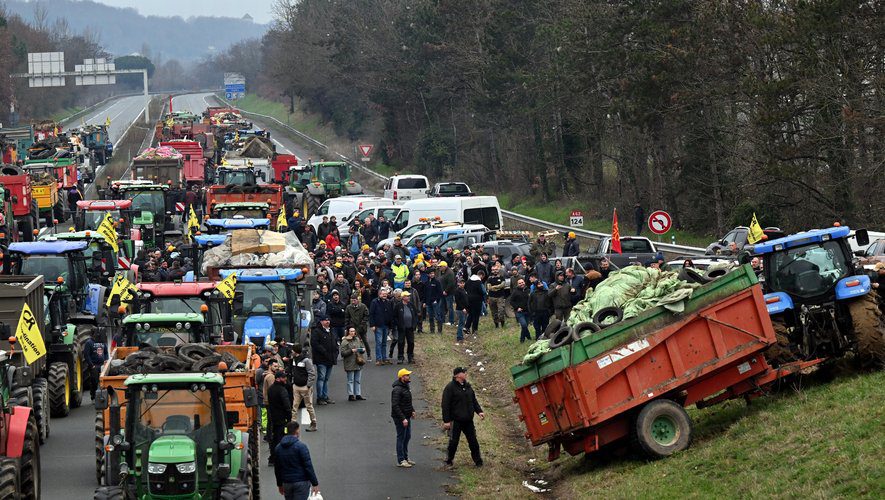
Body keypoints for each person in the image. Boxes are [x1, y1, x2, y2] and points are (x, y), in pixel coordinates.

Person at [442, 367, 485, 468]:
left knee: (473, 441)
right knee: (453, 442)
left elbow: (473, 400)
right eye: (463, 372)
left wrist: (479, 411)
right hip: (455, 421)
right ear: (457, 375)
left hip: (468, 420)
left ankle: (478, 461)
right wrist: (446, 421)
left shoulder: (468, 386)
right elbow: (445, 405)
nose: (465, 373)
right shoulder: (450, 387)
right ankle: (449, 460)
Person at [274, 422, 320, 500]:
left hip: (286, 483)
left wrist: (279, 485)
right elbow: (308, 466)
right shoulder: (301, 446)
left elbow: (277, 469)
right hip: (301, 482)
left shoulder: (278, 448)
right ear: (297, 431)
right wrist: (315, 483)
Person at [391, 368, 416, 468]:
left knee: (407, 436)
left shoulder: (406, 386)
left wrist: (412, 410)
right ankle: (401, 460)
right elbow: (395, 405)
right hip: (400, 417)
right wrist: (403, 418)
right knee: (401, 437)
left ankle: (405, 457)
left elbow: (408, 401)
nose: (409, 377)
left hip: (406, 415)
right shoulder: (397, 390)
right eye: (407, 375)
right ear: (402, 377)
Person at [290, 344, 318, 432]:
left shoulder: (306, 360)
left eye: (292, 350)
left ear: (296, 351)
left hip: (305, 387)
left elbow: (312, 373)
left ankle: (313, 423)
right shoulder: (294, 359)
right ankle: (293, 426)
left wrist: (308, 385)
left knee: (309, 406)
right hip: (296, 386)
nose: (291, 351)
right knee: (294, 407)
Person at [311, 315, 338, 405]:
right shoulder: (317, 331)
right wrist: (324, 351)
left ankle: (325, 396)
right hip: (321, 359)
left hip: (330, 358)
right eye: (325, 320)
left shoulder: (331, 331)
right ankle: (320, 397)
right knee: (321, 378)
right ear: (321, 322)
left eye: (328, 320)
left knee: (326, 379)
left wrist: (336, 352)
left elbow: (335, 342)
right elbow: (314, 343)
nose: (327, 322)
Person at [267, 370, 292, 466]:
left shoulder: (270, 389)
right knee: (283, 439)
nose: (285, 379)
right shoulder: (282, 390)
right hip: (282, 418)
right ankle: (281, 459)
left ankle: (272, 458)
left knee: (275, 439)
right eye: (283, 377)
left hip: (273, 417)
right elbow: (287, 405)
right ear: (278, 378)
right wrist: (289, 419)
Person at [339, 327, 367, 401]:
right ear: (348, 332)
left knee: (358, 380)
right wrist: (351, 351)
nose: (352, 333)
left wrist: (362, 350)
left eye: (354, 331)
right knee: (350, 380)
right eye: (351, 331)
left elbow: (361, 347)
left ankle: (358, 394)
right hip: (350, 362)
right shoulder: (344, 341)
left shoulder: (357, 339)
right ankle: (351, 395)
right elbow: (342, 353)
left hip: (358, 362)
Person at [369, 288, 395, 365]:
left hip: (386, 325)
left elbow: (390, 314)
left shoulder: (388, 302)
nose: (384, 295)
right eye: (383, 294)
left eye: (385, 294)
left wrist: (390, 325)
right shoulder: (374, 302)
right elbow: (371, 314)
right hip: (378, 325)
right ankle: (378, 359)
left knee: (384, 343)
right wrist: (372, 325)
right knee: (379, 343)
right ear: (379, 294)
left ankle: (384, 358)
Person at [394, 291, 419, 364]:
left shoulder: (411, 305)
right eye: (407, 296)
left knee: (411, 342)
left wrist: (414, 324)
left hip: (410, 328)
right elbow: (395, 317)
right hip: (402, 328)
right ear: (403, 297)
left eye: (409, 296)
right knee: (401, 342)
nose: (409, 297)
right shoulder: (398, 306)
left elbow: (415, 315)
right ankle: (400, 357)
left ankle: (410, 356)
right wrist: (398, 324)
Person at [345, 293, 371, 359]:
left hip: (362, 327)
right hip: (353, 327)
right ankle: (355, 355)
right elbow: (347, 317)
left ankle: (368, 354)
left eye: (354, 300)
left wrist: (362, 323)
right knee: (353, 342)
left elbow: (366, 315)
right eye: (352, 300)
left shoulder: (363, 306)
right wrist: (347, 327)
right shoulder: (348, 307)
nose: (353, 302)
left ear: (357, 300)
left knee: (365, 341)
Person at [508, 278, 531, 343]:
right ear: (517, 284)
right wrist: (517, 307)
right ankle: (524, 338)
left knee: (525, 326)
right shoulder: (515, 291)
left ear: (524, 282)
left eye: (522, 282)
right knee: (523, 325)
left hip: (527, 311)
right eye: (520, 283)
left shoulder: (528, 290)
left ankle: (525, 338)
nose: (521, 284)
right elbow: (511, 301)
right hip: (519, 312)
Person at [453, 279, 469, 343]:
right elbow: (458, 301)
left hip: (465, 309)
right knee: (461, 323)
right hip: (460, 309)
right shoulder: (457, 291)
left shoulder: (464, 290)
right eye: (461, 283)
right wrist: (463, 308)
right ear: (458, 283)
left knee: (463, 323)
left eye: (463, 283)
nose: (462, 284)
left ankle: (461, 336)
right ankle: (459, 337)